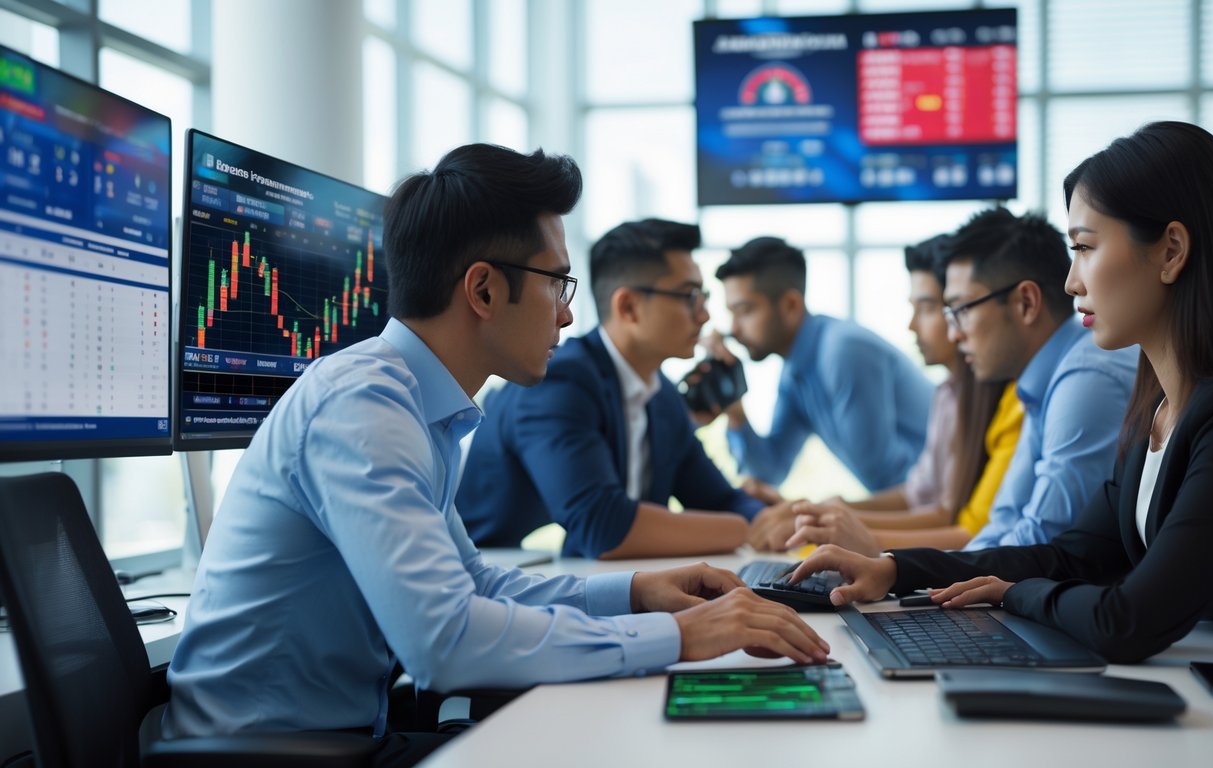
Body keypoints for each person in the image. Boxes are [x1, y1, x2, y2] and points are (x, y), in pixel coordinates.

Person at [161, 145, 828, 765]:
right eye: (556, 285)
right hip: (269, 754)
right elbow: (444, 644)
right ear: (481, 290)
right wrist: (681, 636)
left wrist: (637, 593)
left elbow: (475, 586)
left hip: (336, 736)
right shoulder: (363, 406)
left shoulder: (418, 405)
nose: (567, 316)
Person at [788, 121, 1213, 666]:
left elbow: (1129, 620)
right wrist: (896, 569)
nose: (1072, 281)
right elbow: (1070, 557)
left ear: (1171, 251)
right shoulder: (1157, 412)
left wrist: (1011, 594)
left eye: (1086, 249)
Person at [458, 218, 778, 559]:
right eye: (690, 296)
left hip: (566, 576)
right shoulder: (560, 382)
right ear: (628, 307)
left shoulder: (661, 395)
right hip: (482, 577)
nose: (704, 315)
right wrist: (750, 529)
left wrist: (772, 519)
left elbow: (718, 499)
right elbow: (602, 525)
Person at [783, 234, 1022, 553]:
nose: (912, 325)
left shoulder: (1008, 397)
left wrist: (851, 532)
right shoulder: (948, 394)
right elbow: (918, 494)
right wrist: (835, 511)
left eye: (926, 308)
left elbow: (953, 519)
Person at [942, 206, 1138, 549]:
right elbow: (1004, 522)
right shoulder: (1040, 384)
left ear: (1026, 302)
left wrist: (911, 575)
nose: (953, 335)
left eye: (961, 311)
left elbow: (1043, 538)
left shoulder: (1086, 378)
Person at [701, 236, 935, 498]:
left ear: (790, 305)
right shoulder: (795, 373)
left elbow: (887, 478)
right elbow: (770, 472)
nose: (733, 328)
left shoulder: (843, 351)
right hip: (918, 504)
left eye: (744, 311)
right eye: (731, 313)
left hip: (953, 508)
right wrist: (735, 411)